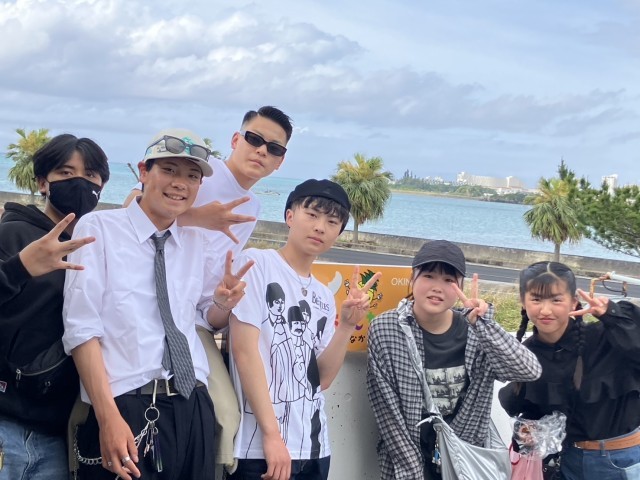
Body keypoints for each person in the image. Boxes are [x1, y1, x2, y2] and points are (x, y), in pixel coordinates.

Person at [62, 129, 251, 480]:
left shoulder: (195, 240)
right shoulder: (98, 229)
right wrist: (108, 417)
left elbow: (205, 317)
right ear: (143, 172)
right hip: (127, 403)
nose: (180, 183)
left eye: (192, 176)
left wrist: (222, 304)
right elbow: (81, 330)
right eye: (169, 170)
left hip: (193, 402)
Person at [229, 179, 381, 480]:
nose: (320, 227)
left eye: (332, 222)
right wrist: (272, 435)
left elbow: (320, 379)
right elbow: (244, 352)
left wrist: (346, 326)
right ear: (289, 216)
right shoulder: (256, 264)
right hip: (260, 448)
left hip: (314, 448)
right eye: (311, 215)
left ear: (338, 233)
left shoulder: (323, 295)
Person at [366, 240, 542, 480]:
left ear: (460, 286)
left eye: (449, 280)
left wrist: (484, 325)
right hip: (410, 457)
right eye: (428, 276)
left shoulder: (476, 331)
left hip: (468, 459)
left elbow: (529, 370)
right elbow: (386, 409)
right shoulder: (387, 329)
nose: (437, 287)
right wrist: (412, 473)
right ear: (412, 278)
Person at [0, 134, 109, 479]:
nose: (79, 181)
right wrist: (19, 267)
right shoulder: (12, 234)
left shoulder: (98, 248)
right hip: (5, 423)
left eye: (90, 175)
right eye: (66, 172)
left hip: (59, 433)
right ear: (43, 182)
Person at [498, 261, 640, 479]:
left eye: (556, 299)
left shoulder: (605, 338)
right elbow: (534, 409)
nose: (546, 310)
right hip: (567, 463)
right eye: (536, 299)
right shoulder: (526, 355)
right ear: (523, 302)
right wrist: (526, 431)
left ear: (573, 301)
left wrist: (613, 316)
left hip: (620, 460)